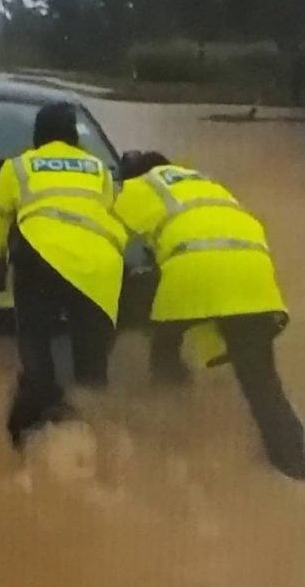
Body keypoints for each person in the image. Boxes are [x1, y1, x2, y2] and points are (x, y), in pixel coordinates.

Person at [114, 151, 305, 479]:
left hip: (193, 274)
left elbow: (107, 236)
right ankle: (294, 467)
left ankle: (170, 432)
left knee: (164, 344)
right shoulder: (207, 184)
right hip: (254, 277)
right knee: (262, 382)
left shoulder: (138, 188)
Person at [0, 102, 128, 446]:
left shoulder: (18, 167)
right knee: (91, 357)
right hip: (100, 266)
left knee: (35, 337)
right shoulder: (98, 169)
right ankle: (92, 427)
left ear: (37, 135)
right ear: (75, 136)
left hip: (40, 258)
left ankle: (37, 420)